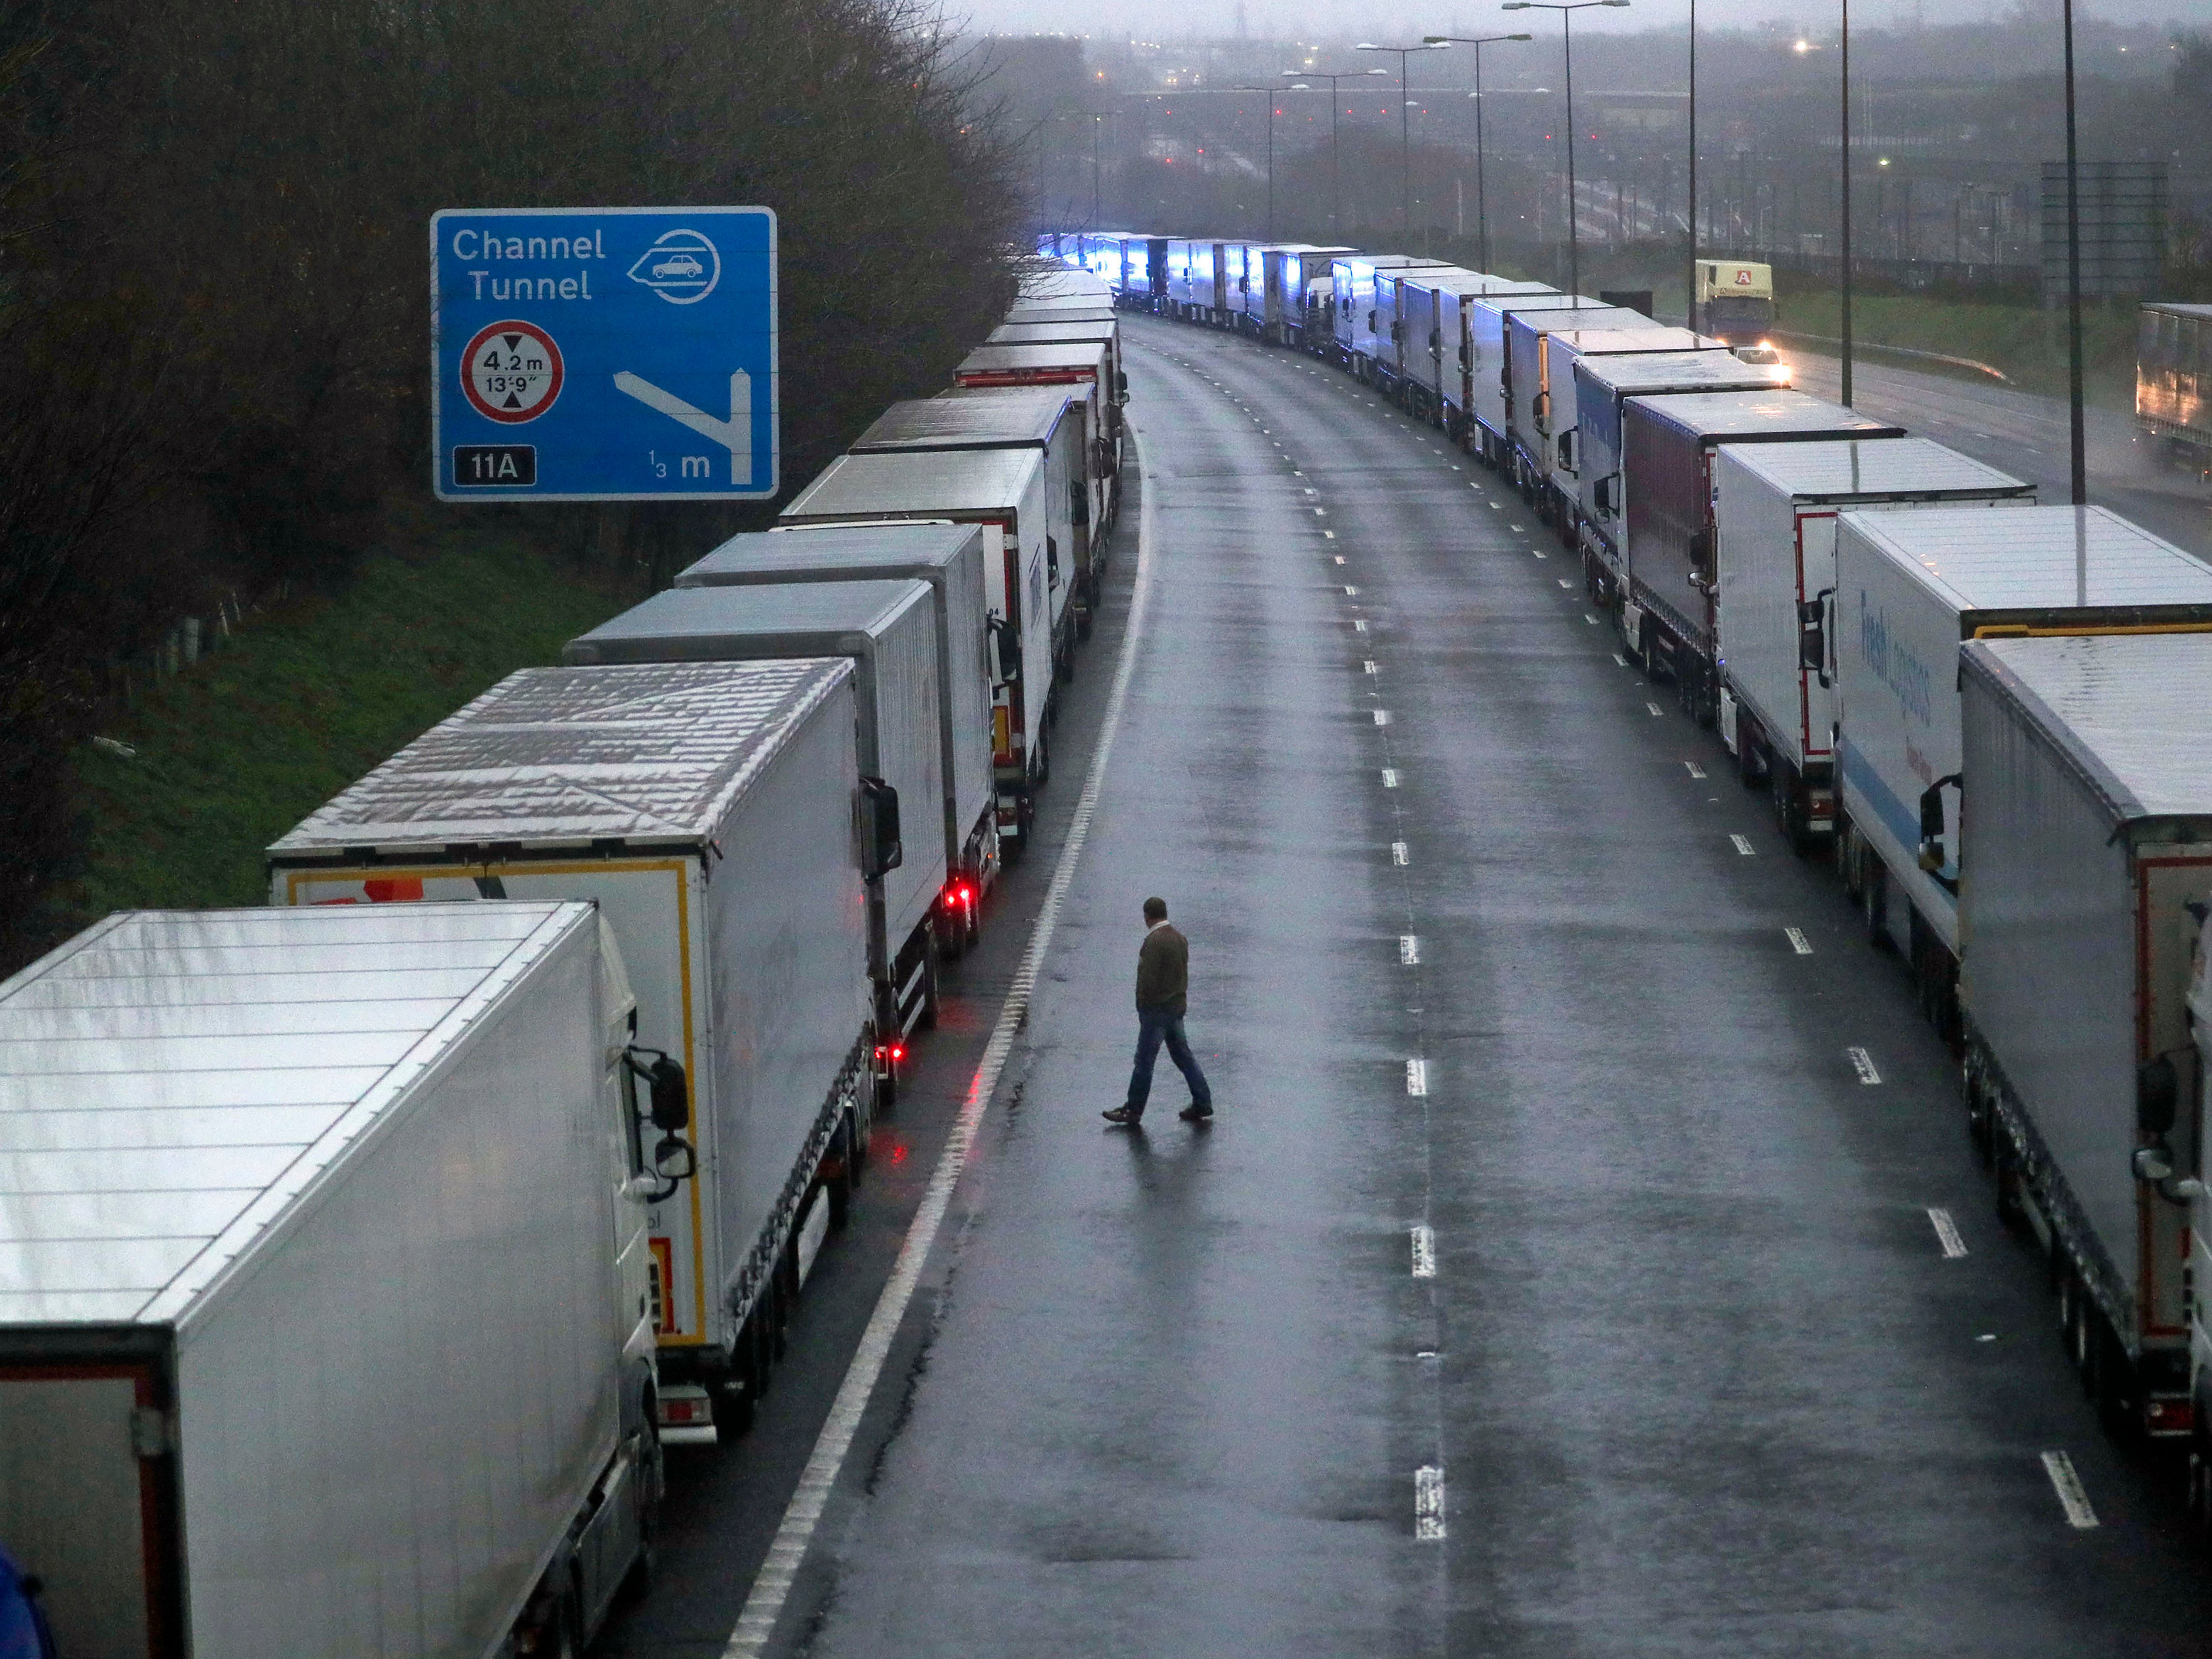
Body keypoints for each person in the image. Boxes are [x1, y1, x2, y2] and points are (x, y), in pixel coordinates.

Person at [1103, 896, 1213, 1126]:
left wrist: (1142, 1006)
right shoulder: (1180, 939)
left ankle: (1133, 1110)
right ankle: (1203, 1102)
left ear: (1147, 916)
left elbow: (1147, 980)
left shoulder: (1154, 942)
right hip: (1176, 1010)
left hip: (1156, 1013)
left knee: (1144, 1062)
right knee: (1184, 1058)